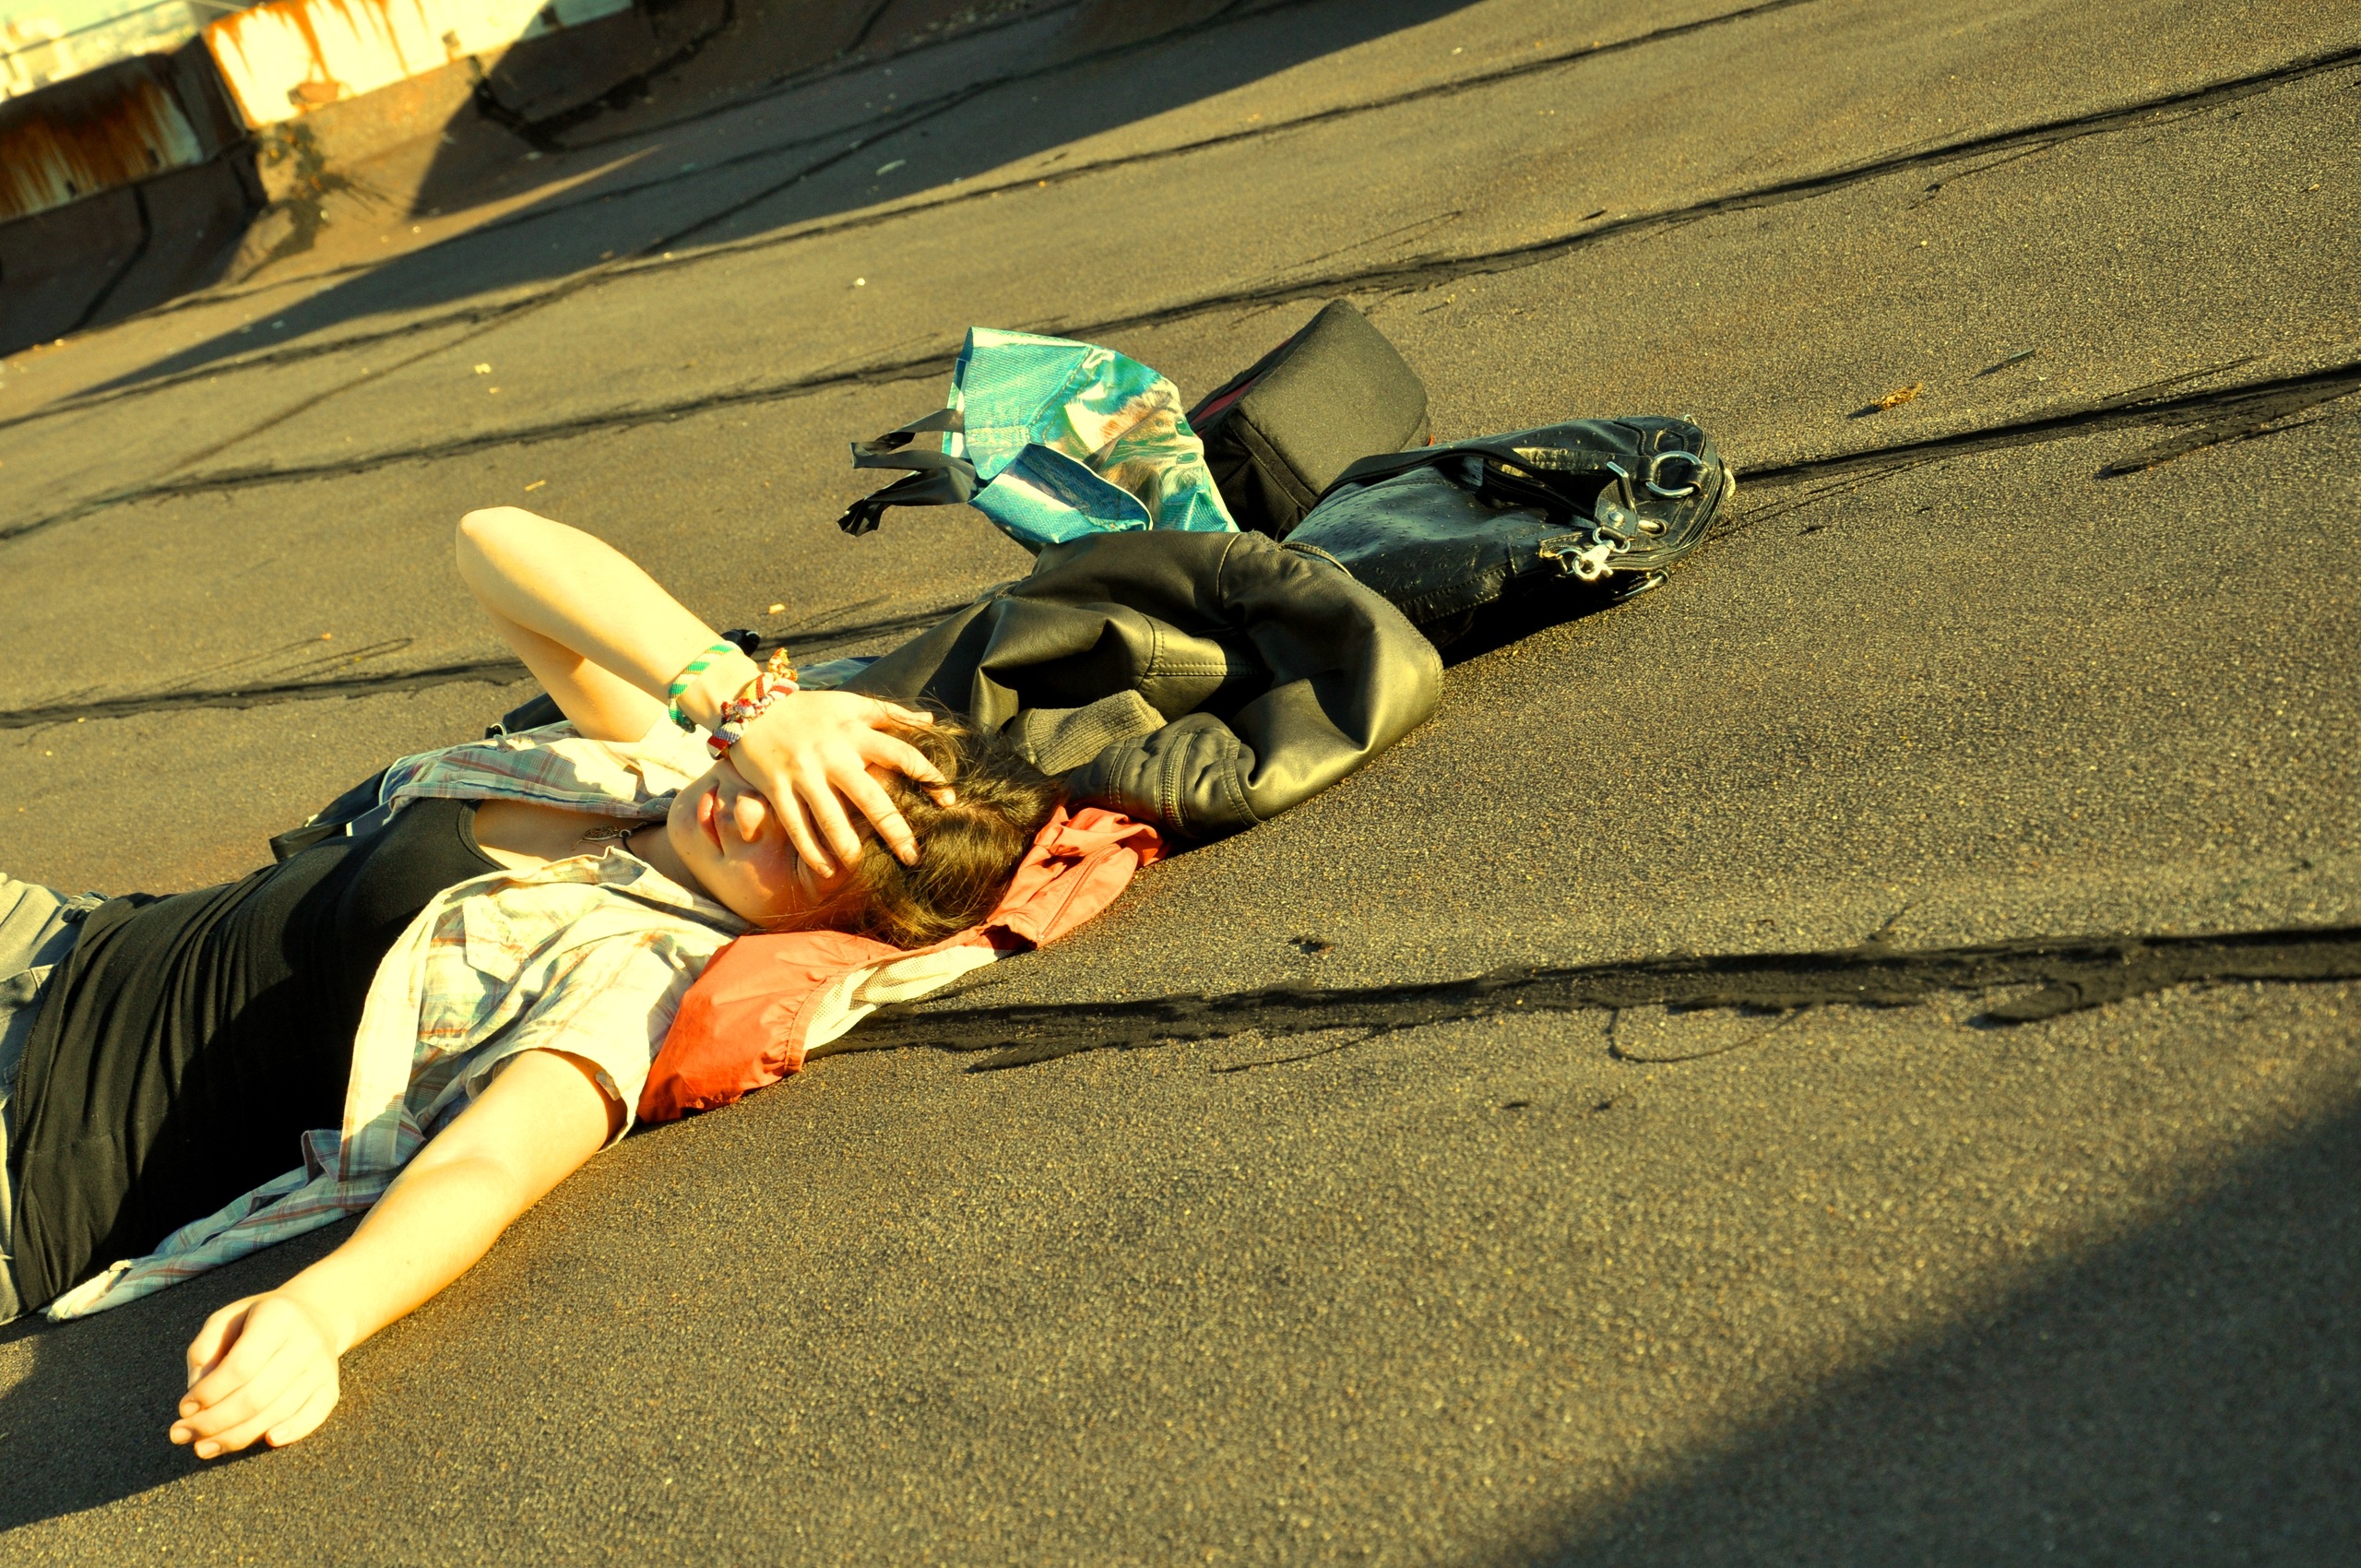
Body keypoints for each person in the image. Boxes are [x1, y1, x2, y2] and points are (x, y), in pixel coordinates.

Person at [0, 508, 1062, 1459]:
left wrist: (321, 1313)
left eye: (796, 843)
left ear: (830, 923)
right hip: (54, 939)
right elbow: (494, 541)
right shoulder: (653, 763)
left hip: (26, 1157)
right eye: (791, 782)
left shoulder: (636, 974)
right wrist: (751, 704)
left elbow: (487, 1163)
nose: (747, 806)